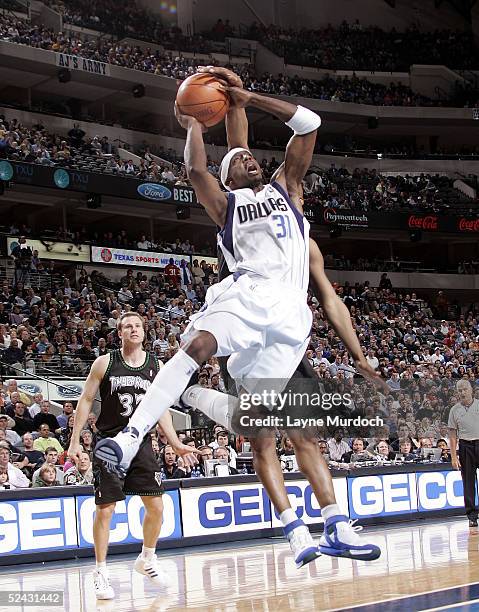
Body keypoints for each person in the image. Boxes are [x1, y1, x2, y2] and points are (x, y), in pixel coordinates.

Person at [69, 311, 197, 600]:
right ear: (120, 333)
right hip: (109, 444)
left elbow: (161, 407)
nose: (134, 329)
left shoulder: (156, 365)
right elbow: (86, 399)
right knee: (106, 509)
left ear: (144, 331)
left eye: (138, 325)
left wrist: (175, 442)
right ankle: (100, 572)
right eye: (128, 326)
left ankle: (147, 558)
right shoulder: (105, 362)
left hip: (140, 442)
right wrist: (75, 440)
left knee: (157, 507)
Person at [448, 379, 479, 527]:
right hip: (465, 445)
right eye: (459, 390)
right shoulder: (454, 410)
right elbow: (452, 434)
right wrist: (454, 456)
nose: (462, 392)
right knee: (468, 482)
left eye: (464, 389)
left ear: (471, 390)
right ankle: (472, 516)